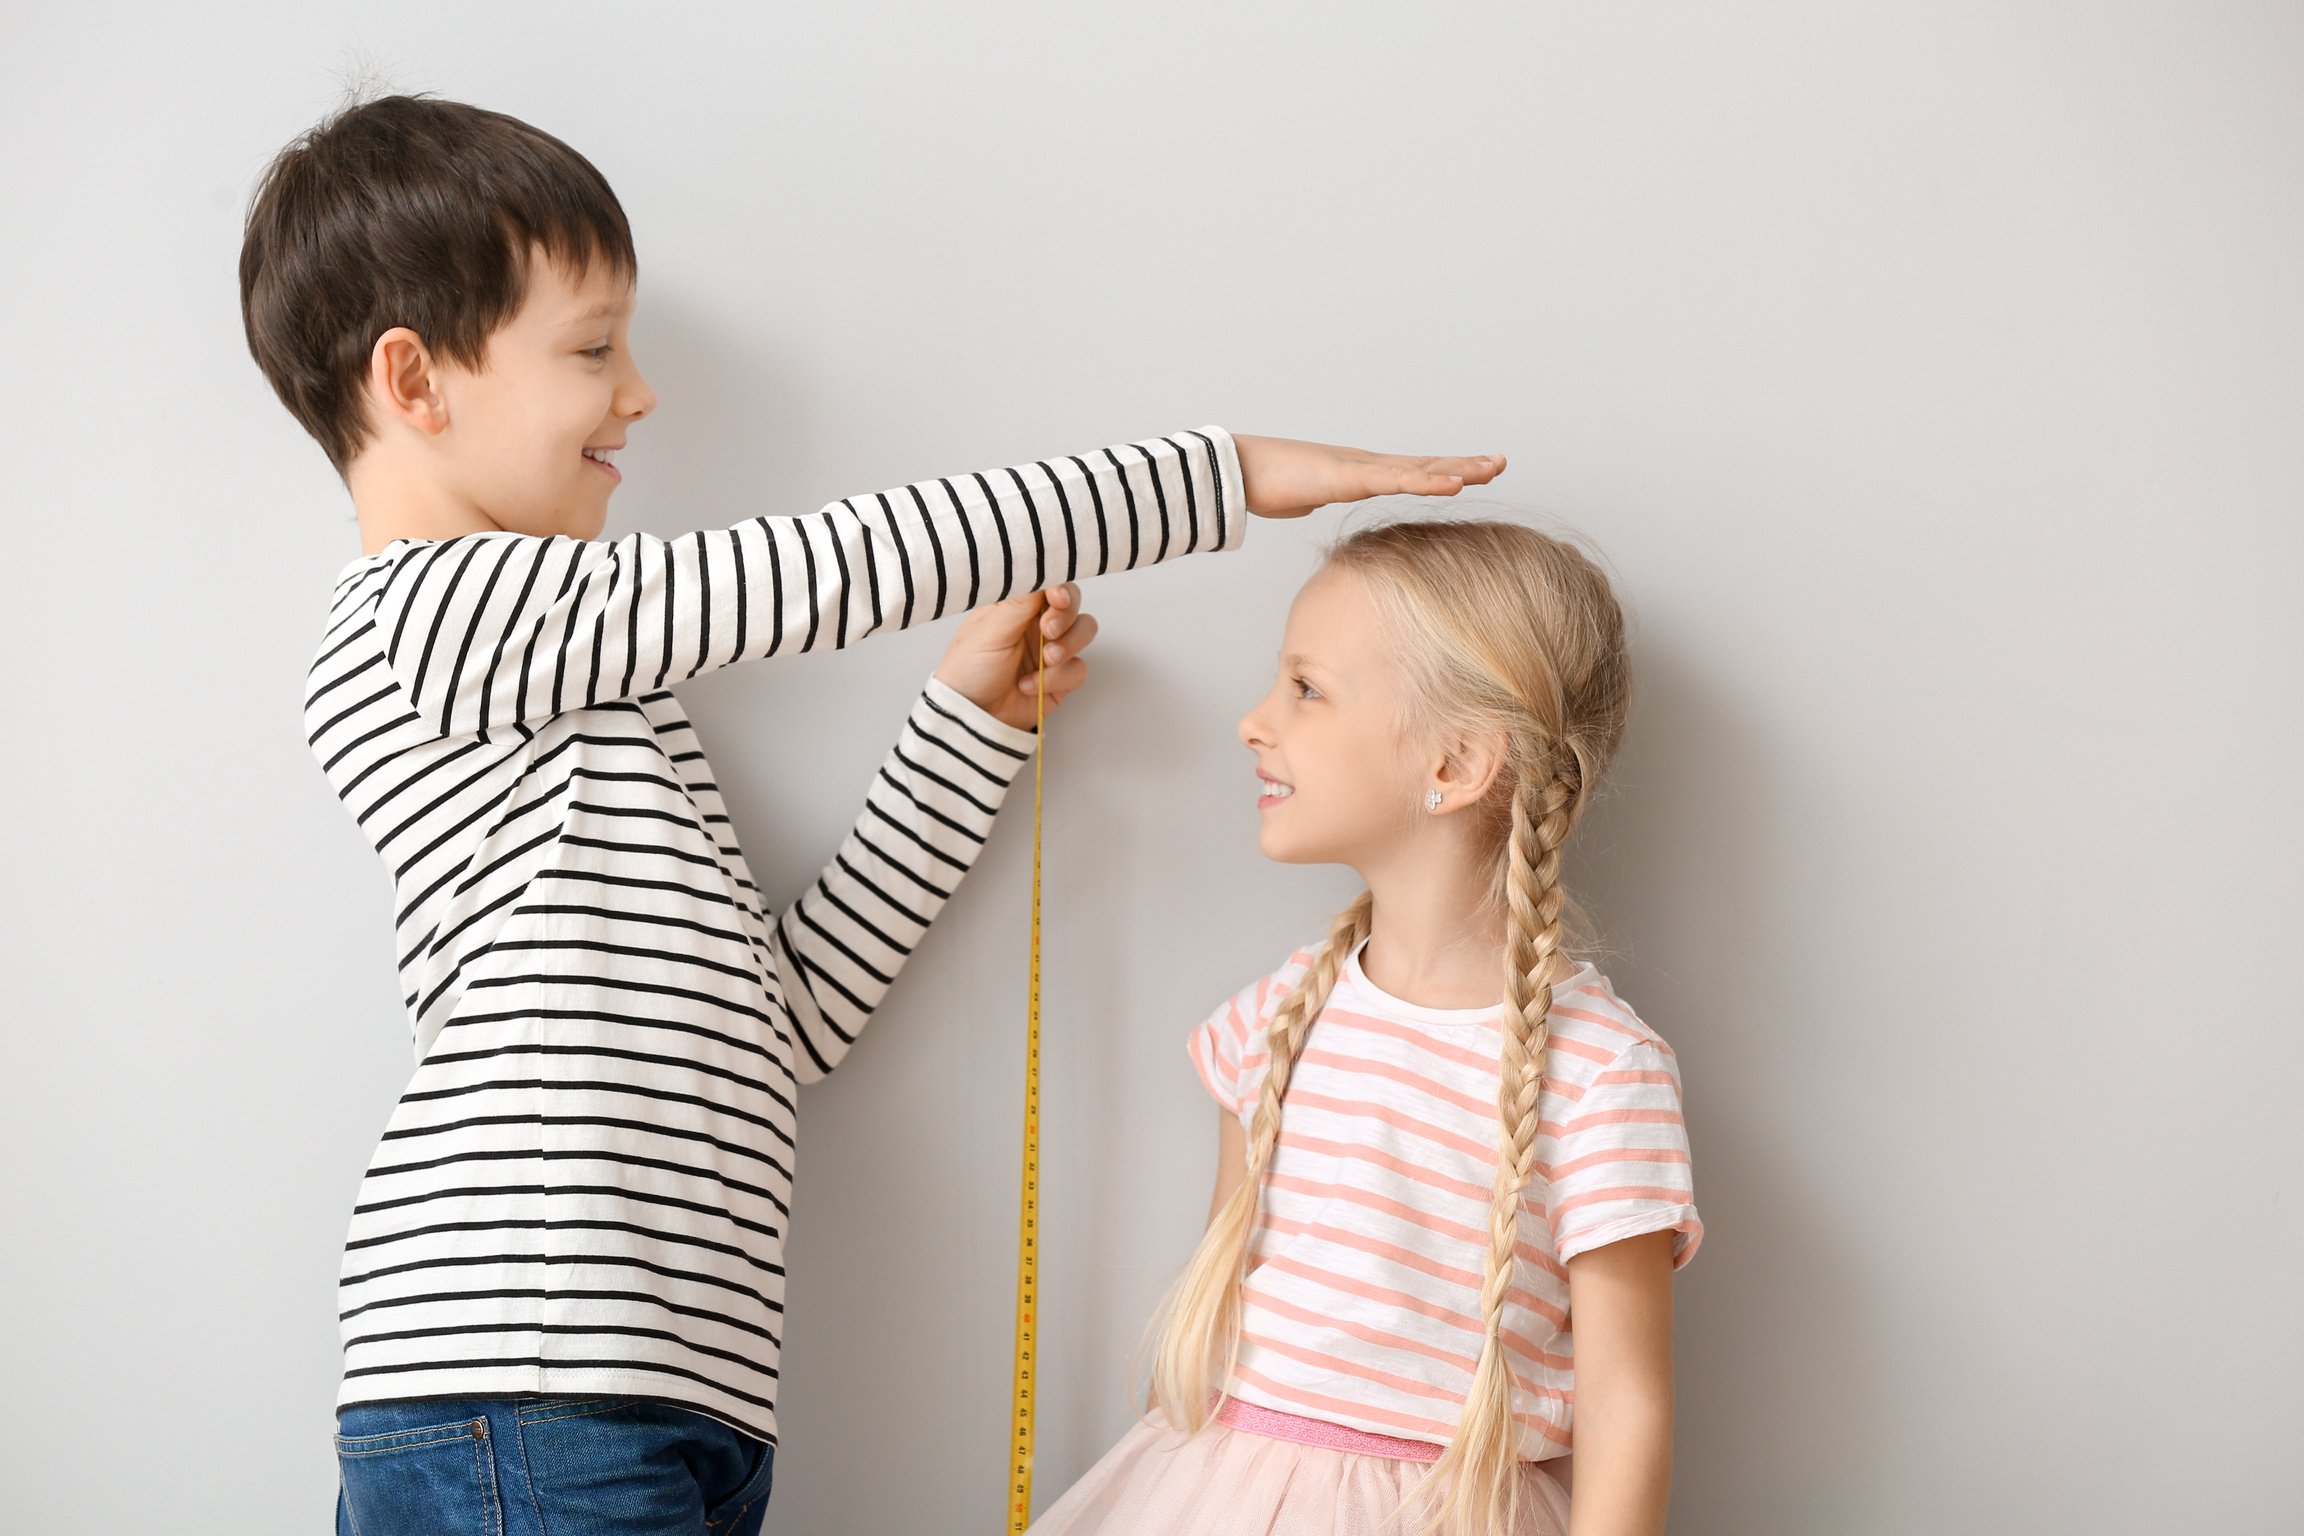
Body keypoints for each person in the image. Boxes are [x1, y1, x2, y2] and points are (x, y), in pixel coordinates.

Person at [240, 92, 1504, 1536]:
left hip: (666, 1394)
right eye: (592, 349)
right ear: (414, 382)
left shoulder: (594, 702)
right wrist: (1217, 477)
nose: (638, 393)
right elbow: (819, 568)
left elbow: (789, 1022)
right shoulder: (431, 620)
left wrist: (969, 723)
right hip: (524, 1384)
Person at [1028, 519, 1701, 1536]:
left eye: (1306, 689)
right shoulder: (1275, 1020)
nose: (1254, 721)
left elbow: (1625, 1407)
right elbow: (1223, 1312)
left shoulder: (1603, 1075)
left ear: (1458, 762)